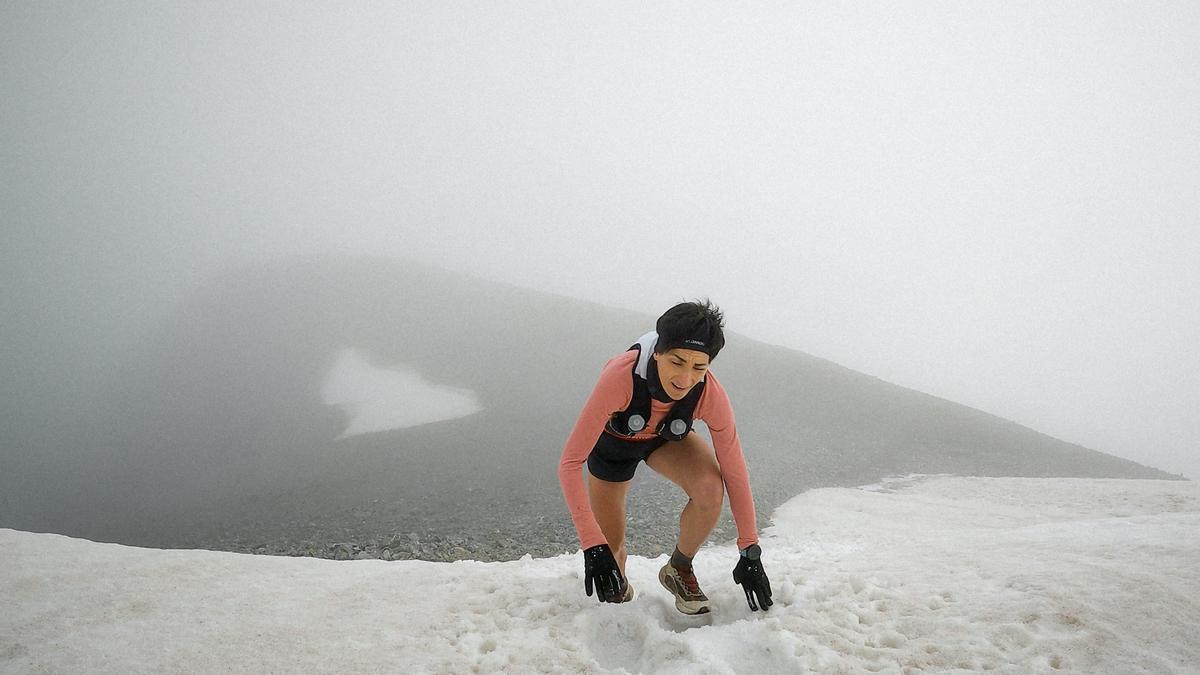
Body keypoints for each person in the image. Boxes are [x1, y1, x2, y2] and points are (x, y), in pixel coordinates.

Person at [558, 300, 773, 614]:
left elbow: (735, 472)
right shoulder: (621, 376)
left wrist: (749, 550)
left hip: (667, 440)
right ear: (657, 351)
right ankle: (620, 581)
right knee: (611, 563)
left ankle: (679, 568)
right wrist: (592, 544)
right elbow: (569, 463)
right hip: (614, 448)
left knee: (711, 488)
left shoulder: (710, 394)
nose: (685, 379)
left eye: (699, 367)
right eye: (677, 361)